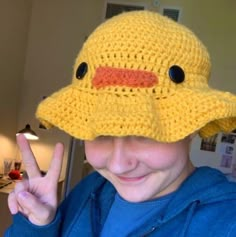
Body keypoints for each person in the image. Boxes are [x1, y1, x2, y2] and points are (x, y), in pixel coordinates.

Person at [4, 10, 236, 237]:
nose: (118, 165)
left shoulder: (227, 222)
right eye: (102, 133)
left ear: (192, 127)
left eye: (144, 133)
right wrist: (37, 226)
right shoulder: (90, 190)